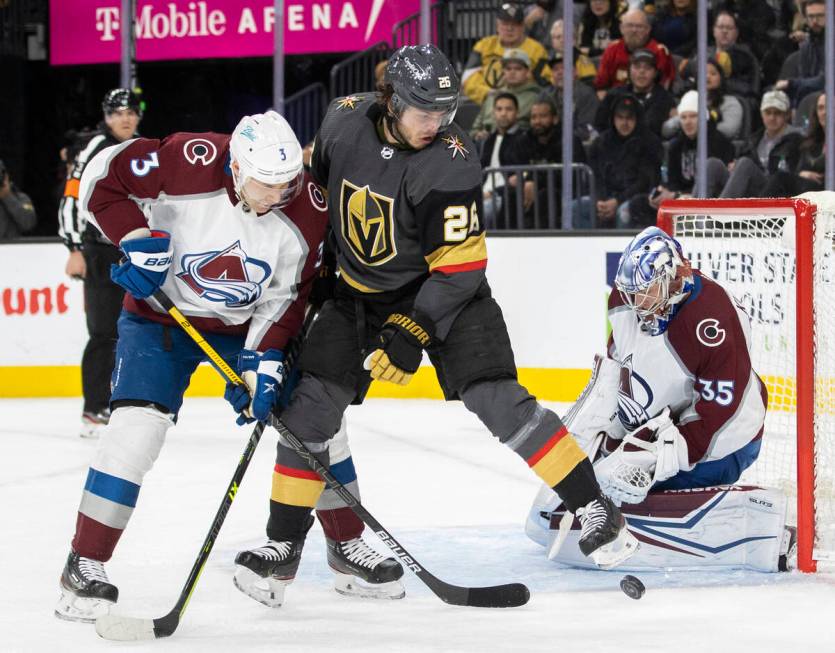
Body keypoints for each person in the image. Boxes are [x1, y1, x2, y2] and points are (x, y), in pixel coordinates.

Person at [234, 44, 638, 606]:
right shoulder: (342, 119)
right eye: (424, 111)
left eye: (445, 112)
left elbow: (462, 267)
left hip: (448, 293)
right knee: (309, 411)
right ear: (390, 100)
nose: (436, 123)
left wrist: (411, 331)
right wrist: (315, 279)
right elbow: (317, 202)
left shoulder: (451, 159)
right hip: (358, 295)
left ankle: (592, 505)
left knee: (498, 399)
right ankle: (282, 547)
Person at [54, 110, 402, 622]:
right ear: (235, 167)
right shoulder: (185, 158)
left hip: (244, 327)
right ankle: (84, 561)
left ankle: (346, 547)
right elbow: (100, 186)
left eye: (285, 186)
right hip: (160, 319)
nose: (274, 199)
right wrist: (133, 240)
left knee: (319, 422)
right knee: (135, 432)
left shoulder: (307, 205)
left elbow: (285, 298)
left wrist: (262, 363)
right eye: (264, 186)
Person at [526, 227, 794, 572]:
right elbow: (621, 367)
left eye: (647, 293)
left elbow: (718, 418)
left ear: (674, 278)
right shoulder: (624, 301)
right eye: (633, 294)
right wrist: (604, 432)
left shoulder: (713, 322)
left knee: (622, 490)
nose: (639, 305)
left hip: (725, 442)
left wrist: (656, 459)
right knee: (583, 481)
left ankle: (742, 527)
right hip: (660, 425)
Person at [58, 89, 142, 438]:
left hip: (134, 250)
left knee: (135, 330)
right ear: (106, 118)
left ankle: (123, 403)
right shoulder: (94, 147)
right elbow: (72, 195)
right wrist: (74, 246)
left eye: (129, 112)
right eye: (116, 112)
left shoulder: (144, 147)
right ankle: (94, 408)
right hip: (100, 251)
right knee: (103, 331)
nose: (124, 118)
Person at [629, 91, 735, 227]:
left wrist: (678, 196)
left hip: (709, 202)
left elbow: (720, 184)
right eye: (683, 117)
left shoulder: (720, 142)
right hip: (680, 199)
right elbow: (673, 182)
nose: (687, 122)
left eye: (693, 116)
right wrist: (663, 194)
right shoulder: (675, 146)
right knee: (638, 203)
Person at [578, 93, 662, 228]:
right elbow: (594, 177)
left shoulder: (650, 143)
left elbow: (645, 181)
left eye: (629, 118)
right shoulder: (600, 143)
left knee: (624, 211)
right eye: (620, 117)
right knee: (577, 208)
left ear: (637, 119)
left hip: (635, 199)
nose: (624, 123)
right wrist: (600, 200)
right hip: (605, 198)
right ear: (613, 118)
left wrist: (617, 201)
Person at [462, 3, 551, 104]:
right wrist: (489, 94)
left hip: (525, 102)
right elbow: (468, 79)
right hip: (486, 101)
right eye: (505, 24)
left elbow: (546, 82)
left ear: (523, 27)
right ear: (497, 26)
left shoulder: (537, 50)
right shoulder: (483, 46)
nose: (509, 29)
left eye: (515, 24)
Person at [719, 90, 803, 198]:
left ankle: (721, 211)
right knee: (714, 164)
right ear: (762, 114)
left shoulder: (797, 140)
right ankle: (695, 210)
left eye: (777, 113)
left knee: (745, 164)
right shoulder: (754, 139)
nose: (772, 117)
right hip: (753, 188)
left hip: (777, 191)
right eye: (768, 112)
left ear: (787, 115)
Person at [593, 7, 676, 98]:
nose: (634, 30)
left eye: (639, 26)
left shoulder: (659, 52)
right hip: (616, 102)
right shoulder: (612, 49)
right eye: (629, 25)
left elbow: (663, 88)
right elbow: (600, 87)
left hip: (648, 102)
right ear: (621, 28)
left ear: (648, 30)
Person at [594, 48, 676, 139]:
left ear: (655, 73)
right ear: (629, 71)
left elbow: (651, 127)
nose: (641, 72)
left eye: (647, 68)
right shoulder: (614, 94)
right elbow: (599, 126)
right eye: (637, 67)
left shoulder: (664, 99)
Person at [763, 91, 827, 197]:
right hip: (807, 191)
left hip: (826, 191)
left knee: (780, 178)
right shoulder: (811, 142)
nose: (825, 112)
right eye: (820, 108)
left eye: (830, 107)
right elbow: (798, 169)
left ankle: (756, 212)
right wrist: (801, 174)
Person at [470, 49, 542, 138]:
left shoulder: (537, 97)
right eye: (508, 68)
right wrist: (478, 134)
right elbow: (475, 129)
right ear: (503, 72)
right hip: (485, 145)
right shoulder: (493, 95)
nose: (512, 72)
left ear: (527, 72)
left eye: (518, 68)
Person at [478, 93, 524, 227]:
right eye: (499, 109)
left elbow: (519, 179)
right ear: (493, 112)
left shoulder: (523, 139)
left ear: (517, 112)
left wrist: (492, 193)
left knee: (480, 214)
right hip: (482, 194)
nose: (503, 113)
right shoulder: (488, 140)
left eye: (508, 109)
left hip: (501, 197)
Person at [672, 58, 745, 141]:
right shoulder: (688, 100)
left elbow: (729, 130)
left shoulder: (730, 102)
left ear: (721, 79)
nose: (707, 76)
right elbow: (667, 129)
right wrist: (681, 120)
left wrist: (696, 127)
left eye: (713, 74)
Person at [775, 0, 828, 104]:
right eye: (811, 17)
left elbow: (825, 80)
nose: (815, 21)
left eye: (820, 16)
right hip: (811, 103)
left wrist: (791, 84)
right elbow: (804, 77)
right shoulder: (807, 47)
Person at [0, 158, 37, 239]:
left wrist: (7, 197)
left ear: (5, 177)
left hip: (11, 249)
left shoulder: (20, 198)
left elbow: (28, 224)